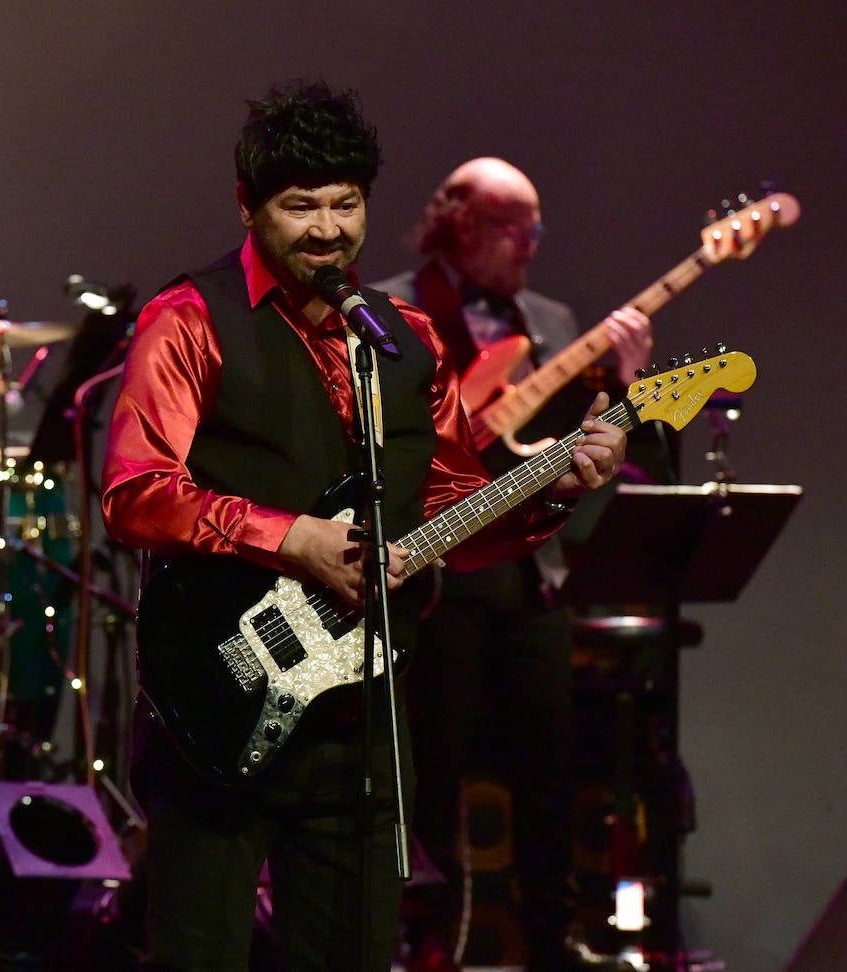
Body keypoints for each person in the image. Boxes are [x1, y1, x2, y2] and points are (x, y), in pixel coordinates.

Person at [101, 86, 627, 972]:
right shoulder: (189, 319)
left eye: (345, 204)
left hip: (362, 727)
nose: (326, 229)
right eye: (299, 205)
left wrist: (555, 489)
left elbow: (457, 506)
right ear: (248, 206)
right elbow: (135, 491)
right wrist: (290, 537)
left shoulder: (404, 341)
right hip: (216, 701)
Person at [369, 158, 653, 971]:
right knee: (433, 763)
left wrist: (626, 386)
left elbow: (592, 458)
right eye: (510, 225)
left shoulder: (559, 324)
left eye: (536, 226)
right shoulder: (394, 308)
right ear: (458, 222)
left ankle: (552, 940)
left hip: (532, 574)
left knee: (549, 768)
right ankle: (420, 942)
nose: (529, 242)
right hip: (439, 576)